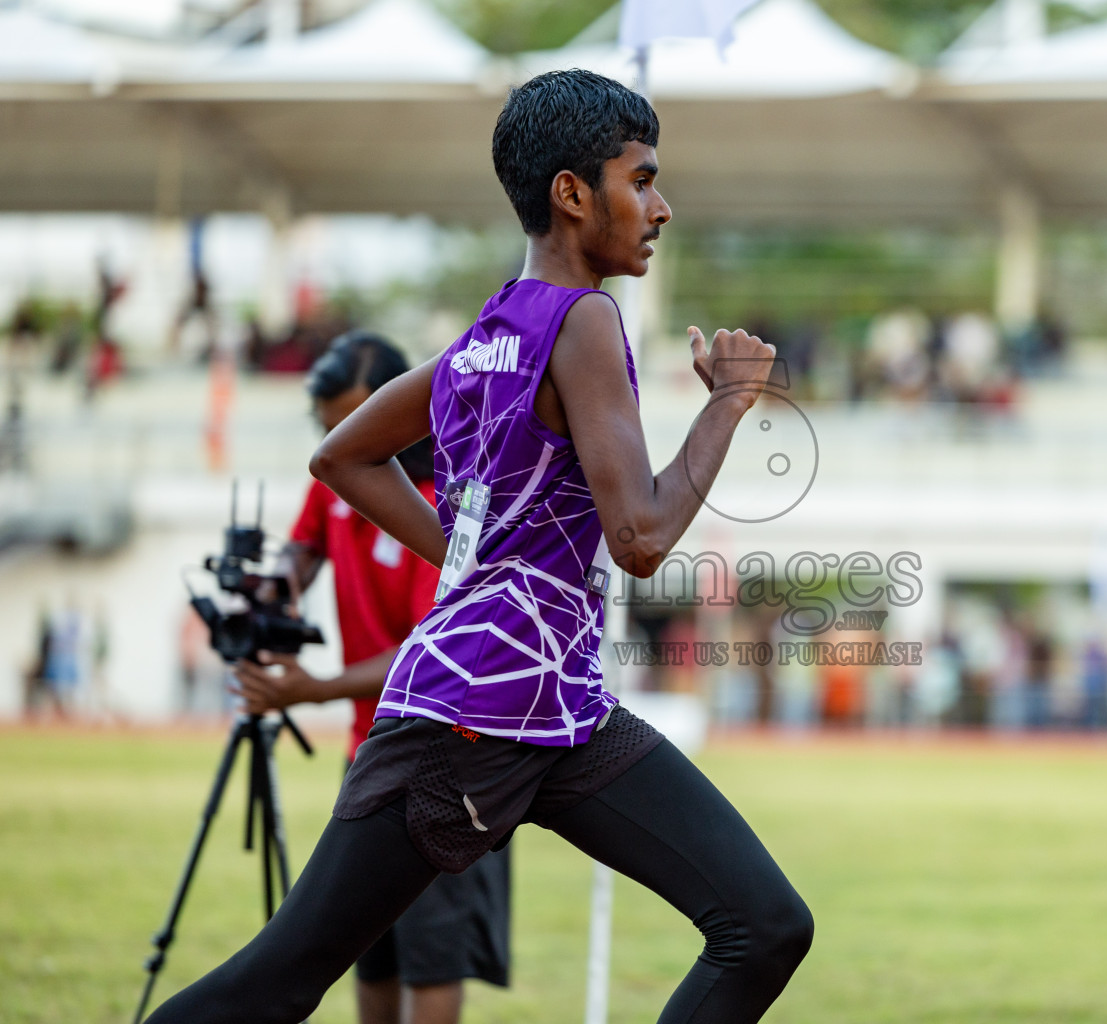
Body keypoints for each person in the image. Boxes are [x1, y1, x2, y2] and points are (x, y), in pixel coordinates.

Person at [144, 69, 812, 1024]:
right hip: (468, 714)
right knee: (277, 979)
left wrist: (471, 562)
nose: (661, 207)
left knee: (766, 922)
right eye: (642, 180)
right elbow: (640, 537)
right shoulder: (584, 321)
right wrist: (727, 404)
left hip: (556, 711)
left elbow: (344, 456)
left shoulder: (488, 334)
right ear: (573, 194)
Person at [230, 330, 511, 1024]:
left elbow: (432, 650)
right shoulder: (338, 479)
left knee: (432, 951)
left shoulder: (440, 507)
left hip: (448, 754)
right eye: (333, 429)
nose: (347, 438)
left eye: (361, 422)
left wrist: (310, 690)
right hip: (371, 751)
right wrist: (282, 584)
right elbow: (304, 546)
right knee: (370, 948)